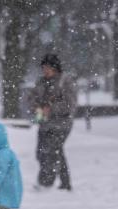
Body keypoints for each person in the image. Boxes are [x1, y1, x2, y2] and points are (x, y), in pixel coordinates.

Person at [29, 53, 77, 191]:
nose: (45, 70)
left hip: (61, 124)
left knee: (51, 151)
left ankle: (45, 182)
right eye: (43, 68)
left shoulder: (65, 82)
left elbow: (70, 104)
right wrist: (36, 108)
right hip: (44, 123)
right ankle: (65, 183)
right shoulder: (41, 82)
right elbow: (32, 98)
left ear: (55, 68)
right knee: (43, 152)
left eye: (47, 68)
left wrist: (51, 108)